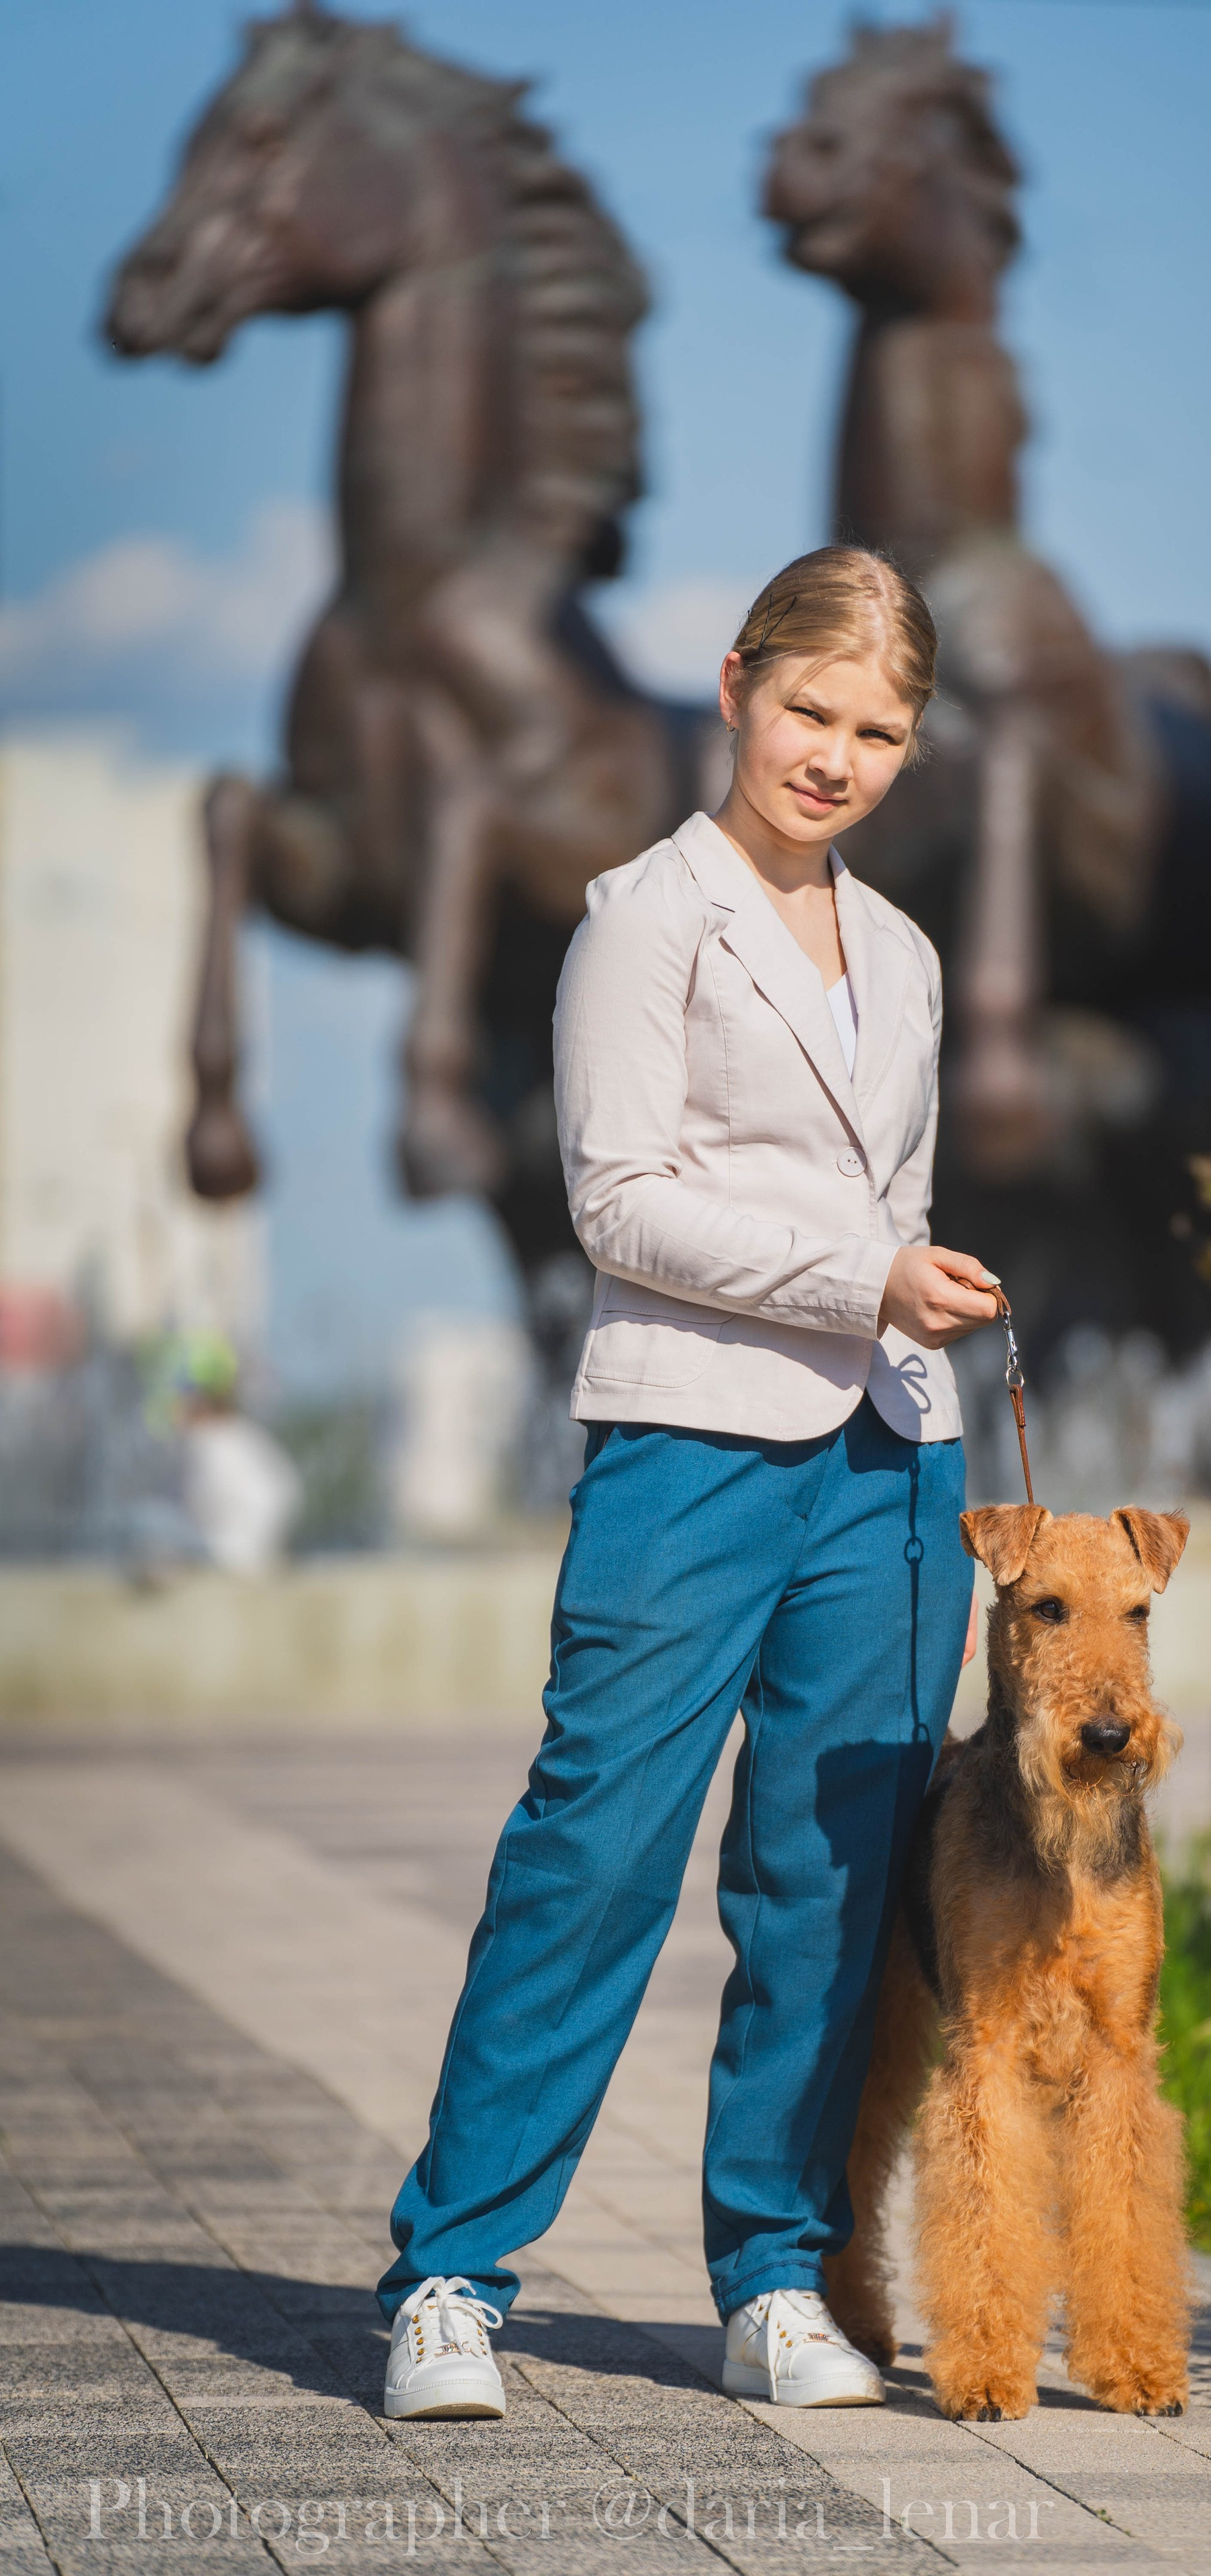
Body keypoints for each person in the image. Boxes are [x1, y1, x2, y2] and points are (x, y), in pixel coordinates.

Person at [378, 547, 1000, 2418]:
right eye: (811, 710)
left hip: (892, 1466)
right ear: (735, 685)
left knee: (826, 1882)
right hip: (689, 1442)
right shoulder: (642, 920)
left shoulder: (904, 954)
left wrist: (918, 1290)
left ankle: (775, 2275)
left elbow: (884, 1197)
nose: (837, 757)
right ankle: (453, 2278)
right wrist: (864, 1274)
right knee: (592, 1859)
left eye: (879, 731)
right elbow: (618, 1206)